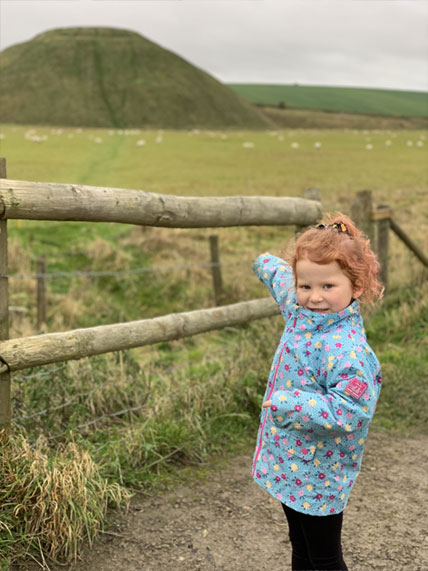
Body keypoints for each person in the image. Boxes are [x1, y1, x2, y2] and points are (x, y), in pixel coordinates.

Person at [251, 214, 384, 571]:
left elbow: (350, 409)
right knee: (300, 545)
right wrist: (263, 262)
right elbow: (281, 277)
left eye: (328, 287)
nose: (314, 297)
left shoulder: (347, 350)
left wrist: (290, 403)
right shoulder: (298, 310)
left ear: (356, 286)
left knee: (324, 557)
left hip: (321, 472)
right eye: (305, 286)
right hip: (291, 465)